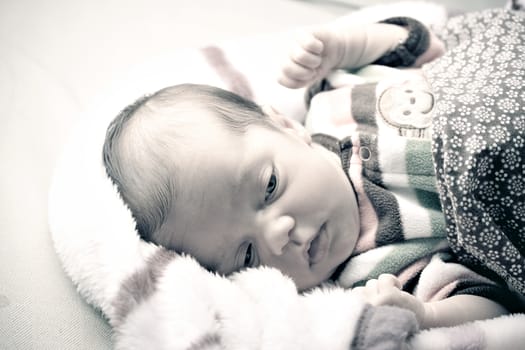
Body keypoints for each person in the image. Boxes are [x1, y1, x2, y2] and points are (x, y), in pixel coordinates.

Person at [102, 10, 524, 330]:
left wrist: (344, 47)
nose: (277, 233)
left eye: (269, 186)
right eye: (247, 254)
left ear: (286, 127)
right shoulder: (368, 273)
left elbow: (417, 45)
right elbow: (492, 298)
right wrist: (425, 313)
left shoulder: (333, 99)